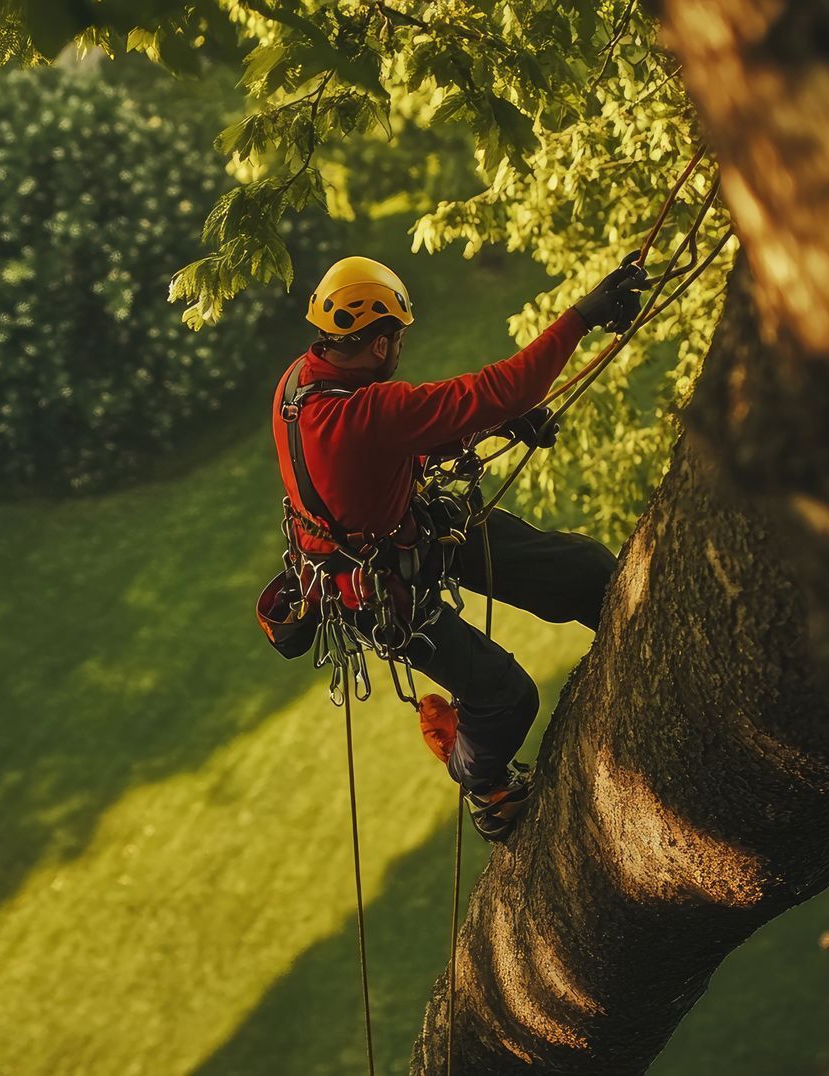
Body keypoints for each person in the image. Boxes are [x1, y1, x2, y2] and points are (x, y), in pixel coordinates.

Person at [271, 253, 647, 840]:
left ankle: (639, 637)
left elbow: (375, 457)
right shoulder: (371, 410)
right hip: (379, 589)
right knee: (506, 698)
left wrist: (496, 425)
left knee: (581, 569)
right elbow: (501, 388)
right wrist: (583, 315)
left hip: (405, 532)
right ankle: (483, 784)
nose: (399, 350)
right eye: (395, 338)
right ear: (377, 345)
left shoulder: (300, 383)